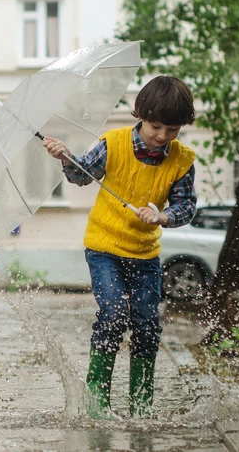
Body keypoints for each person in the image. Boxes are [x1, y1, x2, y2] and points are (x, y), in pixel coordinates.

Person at [42, 75, 198, 419]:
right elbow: (82, 175)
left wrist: (164, 216)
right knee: (113, 316)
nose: (162, 136)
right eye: (156, 126)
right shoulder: (113, 144)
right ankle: (97, 405)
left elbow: (186, 207)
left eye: (172, 130)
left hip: (145, 254)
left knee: (146, 325)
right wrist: (66, 156)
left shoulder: (182, 160)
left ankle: (141, 407)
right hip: (104, 248)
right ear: (140, 115)